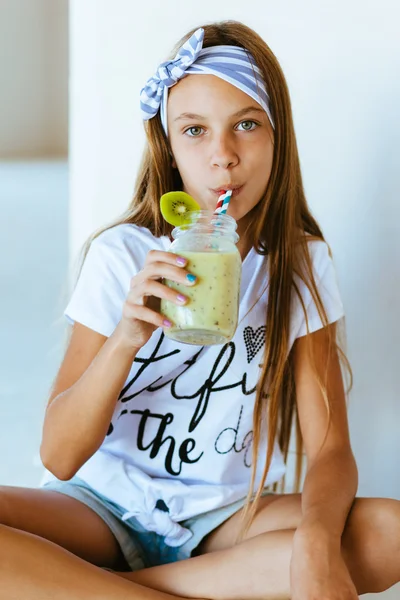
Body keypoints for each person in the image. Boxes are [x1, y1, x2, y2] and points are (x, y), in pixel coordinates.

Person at [0, 20, 399, 600]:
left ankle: (90, 589)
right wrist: (126, 337)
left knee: (388, 530)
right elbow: (59, 458)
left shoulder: (301, 265)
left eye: (246, 125)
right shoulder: (124, 256)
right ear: (169, 146)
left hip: (222, 520)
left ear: (278, 135)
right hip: (96, 510)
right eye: (195, 130)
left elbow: (331, 447)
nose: (224, 157)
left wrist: (315, 541)